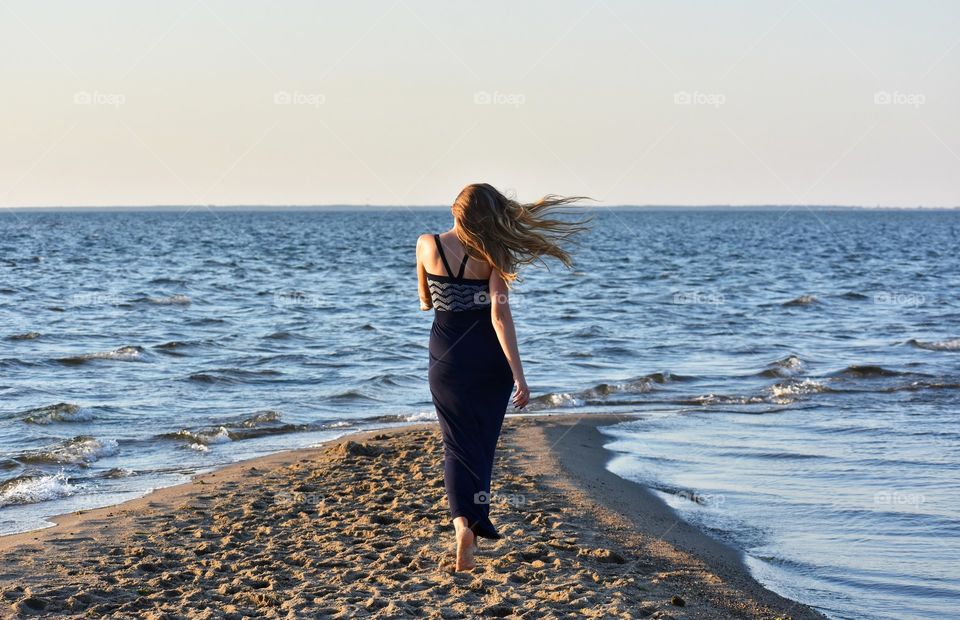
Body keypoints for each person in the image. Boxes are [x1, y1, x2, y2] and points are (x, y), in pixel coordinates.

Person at [416, 183, 589, 571]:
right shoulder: (496, 254)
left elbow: (425, 300)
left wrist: (447, 295)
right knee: (482, 447)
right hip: (489, 363)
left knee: (455, 445)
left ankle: (462, 524)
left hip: (445, 360)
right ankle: (475, 525)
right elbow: (499, 316)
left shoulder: (426, 244)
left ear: (455, 211)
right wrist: (519, 376)